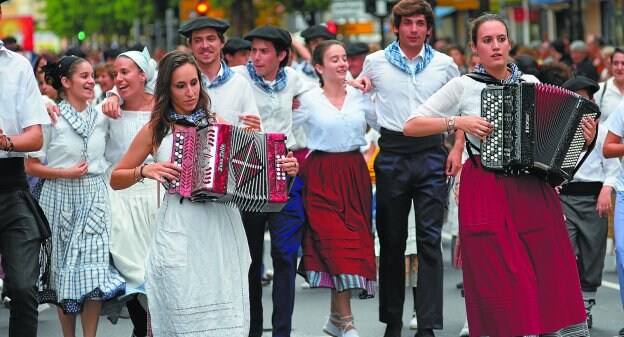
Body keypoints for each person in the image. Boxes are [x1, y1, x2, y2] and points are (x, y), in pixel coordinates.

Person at [403, 13, 595, 337]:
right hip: (486, 188)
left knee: (546, 269)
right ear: (475, 48)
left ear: (510, 43)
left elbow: (552, 148)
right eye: (487, 41)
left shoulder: (531, 84)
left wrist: (583, 140)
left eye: (501, 39)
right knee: (503, 275)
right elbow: (411, 125)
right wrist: (457, 123)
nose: (495, 46)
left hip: (532, 189)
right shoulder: (463, 86)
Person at [109, 50, 299, 337]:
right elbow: (116, 178)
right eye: (180, 86)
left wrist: (285, 169)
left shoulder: (217, 122)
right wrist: (144, 171)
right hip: (179, 224)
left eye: (194, 83)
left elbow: (251, 176)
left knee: (222, 317)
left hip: (220, 228)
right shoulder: (155, 128)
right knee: (180, 306)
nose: (190, 92)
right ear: (167, 89)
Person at [358, 0, 463, 335]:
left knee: (431, 242)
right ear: (396, 27)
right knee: (392, 242)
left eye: (420, 23)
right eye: (408, 23)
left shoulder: (446, 65)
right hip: (391, 155)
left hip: (432, 154)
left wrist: (457, 148)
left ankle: (428, 324)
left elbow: (461, 107)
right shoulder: (375, 62)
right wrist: (380, 125)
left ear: (429, 28)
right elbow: (359, 97)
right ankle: (392, 321)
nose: (414, 29)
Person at [27, 55, 126, 337]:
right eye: (84, 76)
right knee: (63, 274)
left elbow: (146, 81)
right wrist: (64, 173)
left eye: (92, 75)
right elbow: (31, 165)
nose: (91, 80)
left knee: (94, 271)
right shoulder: (50, 119)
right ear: (66, 82)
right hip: (58, 198)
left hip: (95, 195)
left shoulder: (102, 116)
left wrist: (115, 95)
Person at [231, 25, 315, 337]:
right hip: (248, 169)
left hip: (285, 168)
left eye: (264, 51)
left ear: (281, 55)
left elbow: (326, 91)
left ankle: (282, 332)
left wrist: (357, 84)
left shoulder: (294, 79)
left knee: (284, 254)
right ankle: (253, 330)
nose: (255, 57)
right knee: (250, 259)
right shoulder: (237, 77)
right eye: (253, 50)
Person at [294, 40, 378, 337]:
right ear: (319, 67)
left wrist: (374, 92)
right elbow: (285, 129)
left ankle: (334, 319)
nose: (343, 63)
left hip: (354, 174)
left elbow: (383, 124)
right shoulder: (307, 99)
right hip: (320, 176)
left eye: (344, 58)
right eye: (334, 59)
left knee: (350, 245)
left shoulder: (359, 95)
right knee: (332, 244)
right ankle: (348, 323)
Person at [0, 1, 52, 335]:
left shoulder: (17, 66)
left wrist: (5, 142)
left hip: (11, 184)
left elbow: (36, 138)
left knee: (22, 287)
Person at [558, 75, 619, 330]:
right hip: (565, 200)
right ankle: (567, 307)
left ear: (593, 103)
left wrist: (607, 189)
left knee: (592, 254)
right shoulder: (558, 130)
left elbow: (613, 168)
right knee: (563, 252)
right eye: (576, 101)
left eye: (587, 101)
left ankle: (586, 304)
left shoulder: (603, 131)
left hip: (594, 200)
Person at [105, 47, 158, 337]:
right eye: (116, 74)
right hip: (122, 197)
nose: (119, 79)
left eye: (125, 72)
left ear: (143, 74)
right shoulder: (110, 110)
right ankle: (142, 329)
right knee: (132, 273)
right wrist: (112, 95)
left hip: (158, 199)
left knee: (157, 269)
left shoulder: (162, 107)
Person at [596, 48, 624, 122]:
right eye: (615, 63)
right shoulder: (601, 89)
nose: (619, 68)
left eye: (623, 63)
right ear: (611, 65)